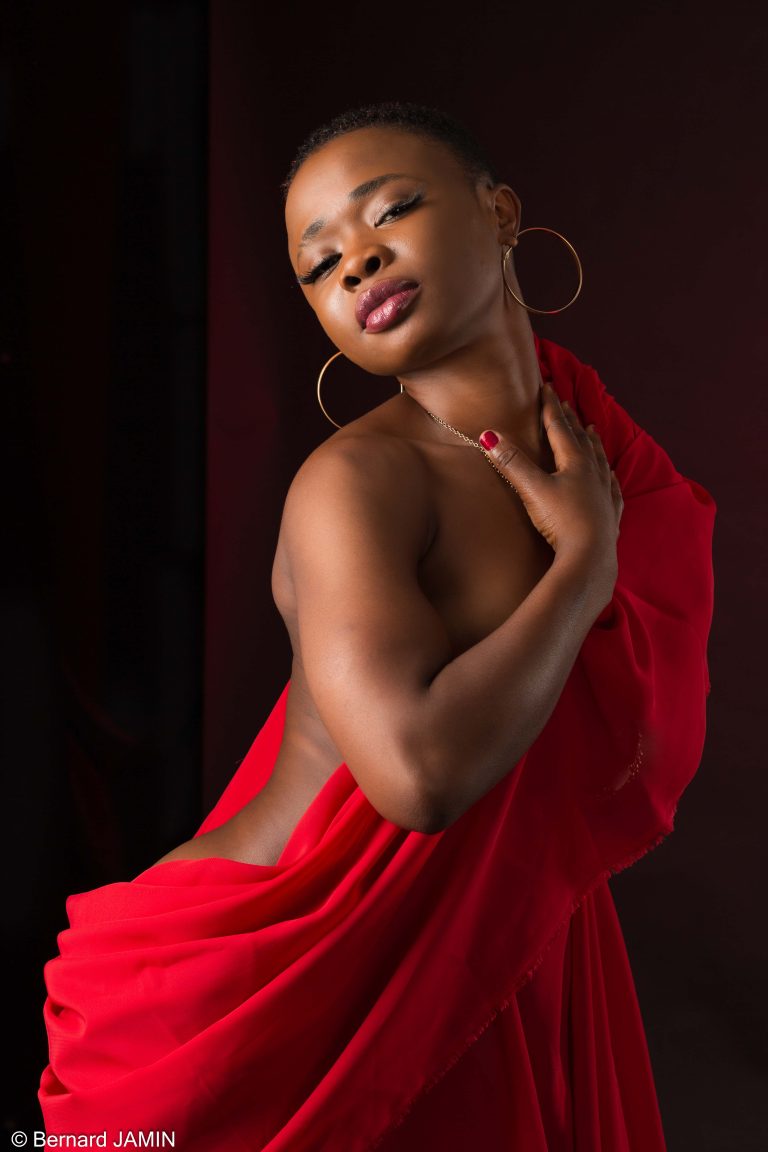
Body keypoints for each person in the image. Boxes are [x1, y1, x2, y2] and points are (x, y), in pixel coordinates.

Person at [39, 102, 716, 1150]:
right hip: (267, 987)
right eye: (319, 264)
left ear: (500, 213)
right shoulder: (358, 483)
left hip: (484, 951)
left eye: (390, 211)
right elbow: (419, 780)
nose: (355, 262)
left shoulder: (588, 439)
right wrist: (584, 566)